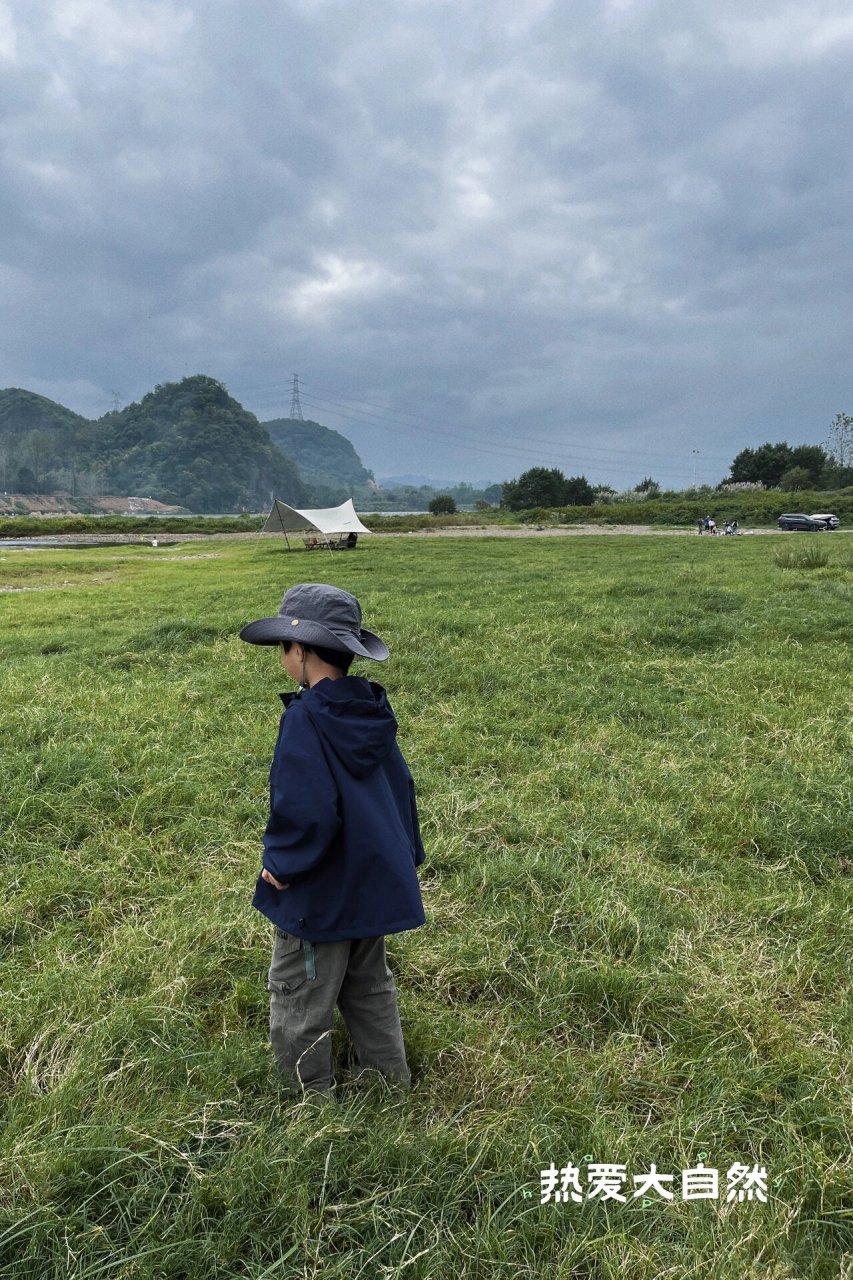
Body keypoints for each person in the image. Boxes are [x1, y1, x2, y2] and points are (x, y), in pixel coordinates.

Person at [239, 582, 425, 1096]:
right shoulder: (369, 709)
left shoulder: (305, 719)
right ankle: (391, 1084)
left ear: (300, 652)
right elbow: (400, 788)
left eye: (282, 647)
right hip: (371, 879)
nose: (282, 657)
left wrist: (282, 864)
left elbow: (306, 809)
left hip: (320, 891)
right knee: (369, 985)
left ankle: (307, 1101)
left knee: (300, 992)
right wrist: (408, 855)